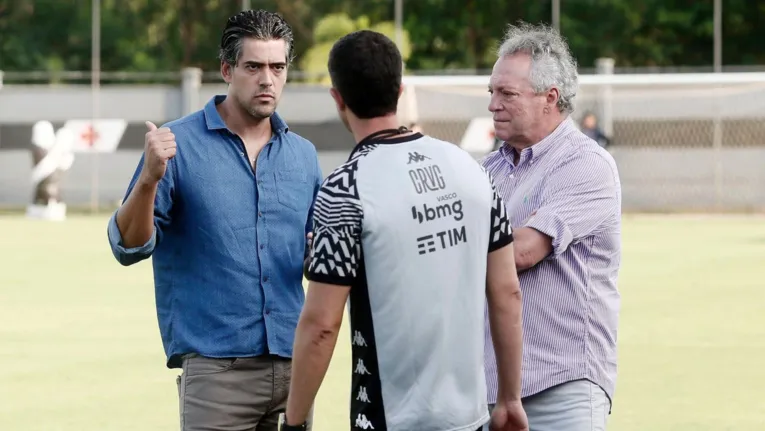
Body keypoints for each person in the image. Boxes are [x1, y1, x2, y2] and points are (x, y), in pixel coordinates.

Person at [281, 30, 528, 431]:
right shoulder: (471, 169)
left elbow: (322, 325)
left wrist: (293, 423)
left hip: (388, 420)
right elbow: (507, 292)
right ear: (399, 89)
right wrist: (510, 398)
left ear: (337, 98)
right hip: (470, 418)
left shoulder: (344, 190)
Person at [106, 10, 322, 431]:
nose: (267, 80)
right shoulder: (177, 146)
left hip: (296, 371)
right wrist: (149, 178)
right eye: (253, 67)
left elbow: (315, 256)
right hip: (217, 377)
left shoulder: (304, 156)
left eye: (278, 67)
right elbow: (127, 247)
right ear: (227, 69)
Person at [481, 23, 622, 431]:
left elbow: (521, 252)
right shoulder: (486, 170)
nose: (493, 104)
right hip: (489, 389)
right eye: (491, 92)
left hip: (563, 389)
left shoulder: (586, 165)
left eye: (507, 93)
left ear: (550, 98)